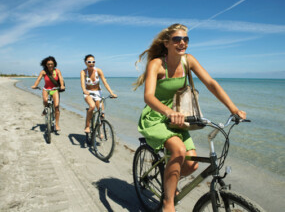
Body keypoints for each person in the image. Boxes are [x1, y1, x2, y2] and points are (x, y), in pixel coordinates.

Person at [134, 24, 246, 212]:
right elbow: (149, 97)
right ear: (167, 43)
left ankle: (168, 182)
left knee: (193, 164)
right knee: (178, 150)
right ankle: (168, 203)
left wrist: (233, 109)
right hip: (156, 116)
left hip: (180, 117)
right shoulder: (157, 64)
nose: (182, 43)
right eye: (177, 39)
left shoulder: (188, 61)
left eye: (186, 39)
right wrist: (168, 112)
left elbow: (211, 83)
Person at [80, 54, 117, 133]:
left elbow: (105, 83)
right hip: (88, 93)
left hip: (98, 93)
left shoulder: (98, 71)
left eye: (93, 61)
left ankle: (99, 130)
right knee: (92, 106)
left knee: (102, 113)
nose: (91, 63)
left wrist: (111, 93)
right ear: (85, 62)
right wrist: (84, 90)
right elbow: (83, 84)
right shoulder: (83, 72)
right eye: (89, 61)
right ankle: (87, 126)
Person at [31, 56, 65, 131]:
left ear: (54, 64)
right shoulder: (43, 72)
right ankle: (45, 109)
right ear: (46, 64)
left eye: (51, 64)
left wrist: (62, 85)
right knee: (45, 101)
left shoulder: (57, 71)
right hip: (46, 89)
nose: (50, 65)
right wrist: (35, 85)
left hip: (55, 89)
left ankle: (56, 124)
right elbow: (38, 79)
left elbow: (61, 79)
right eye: (48, 64)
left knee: (56, 106)